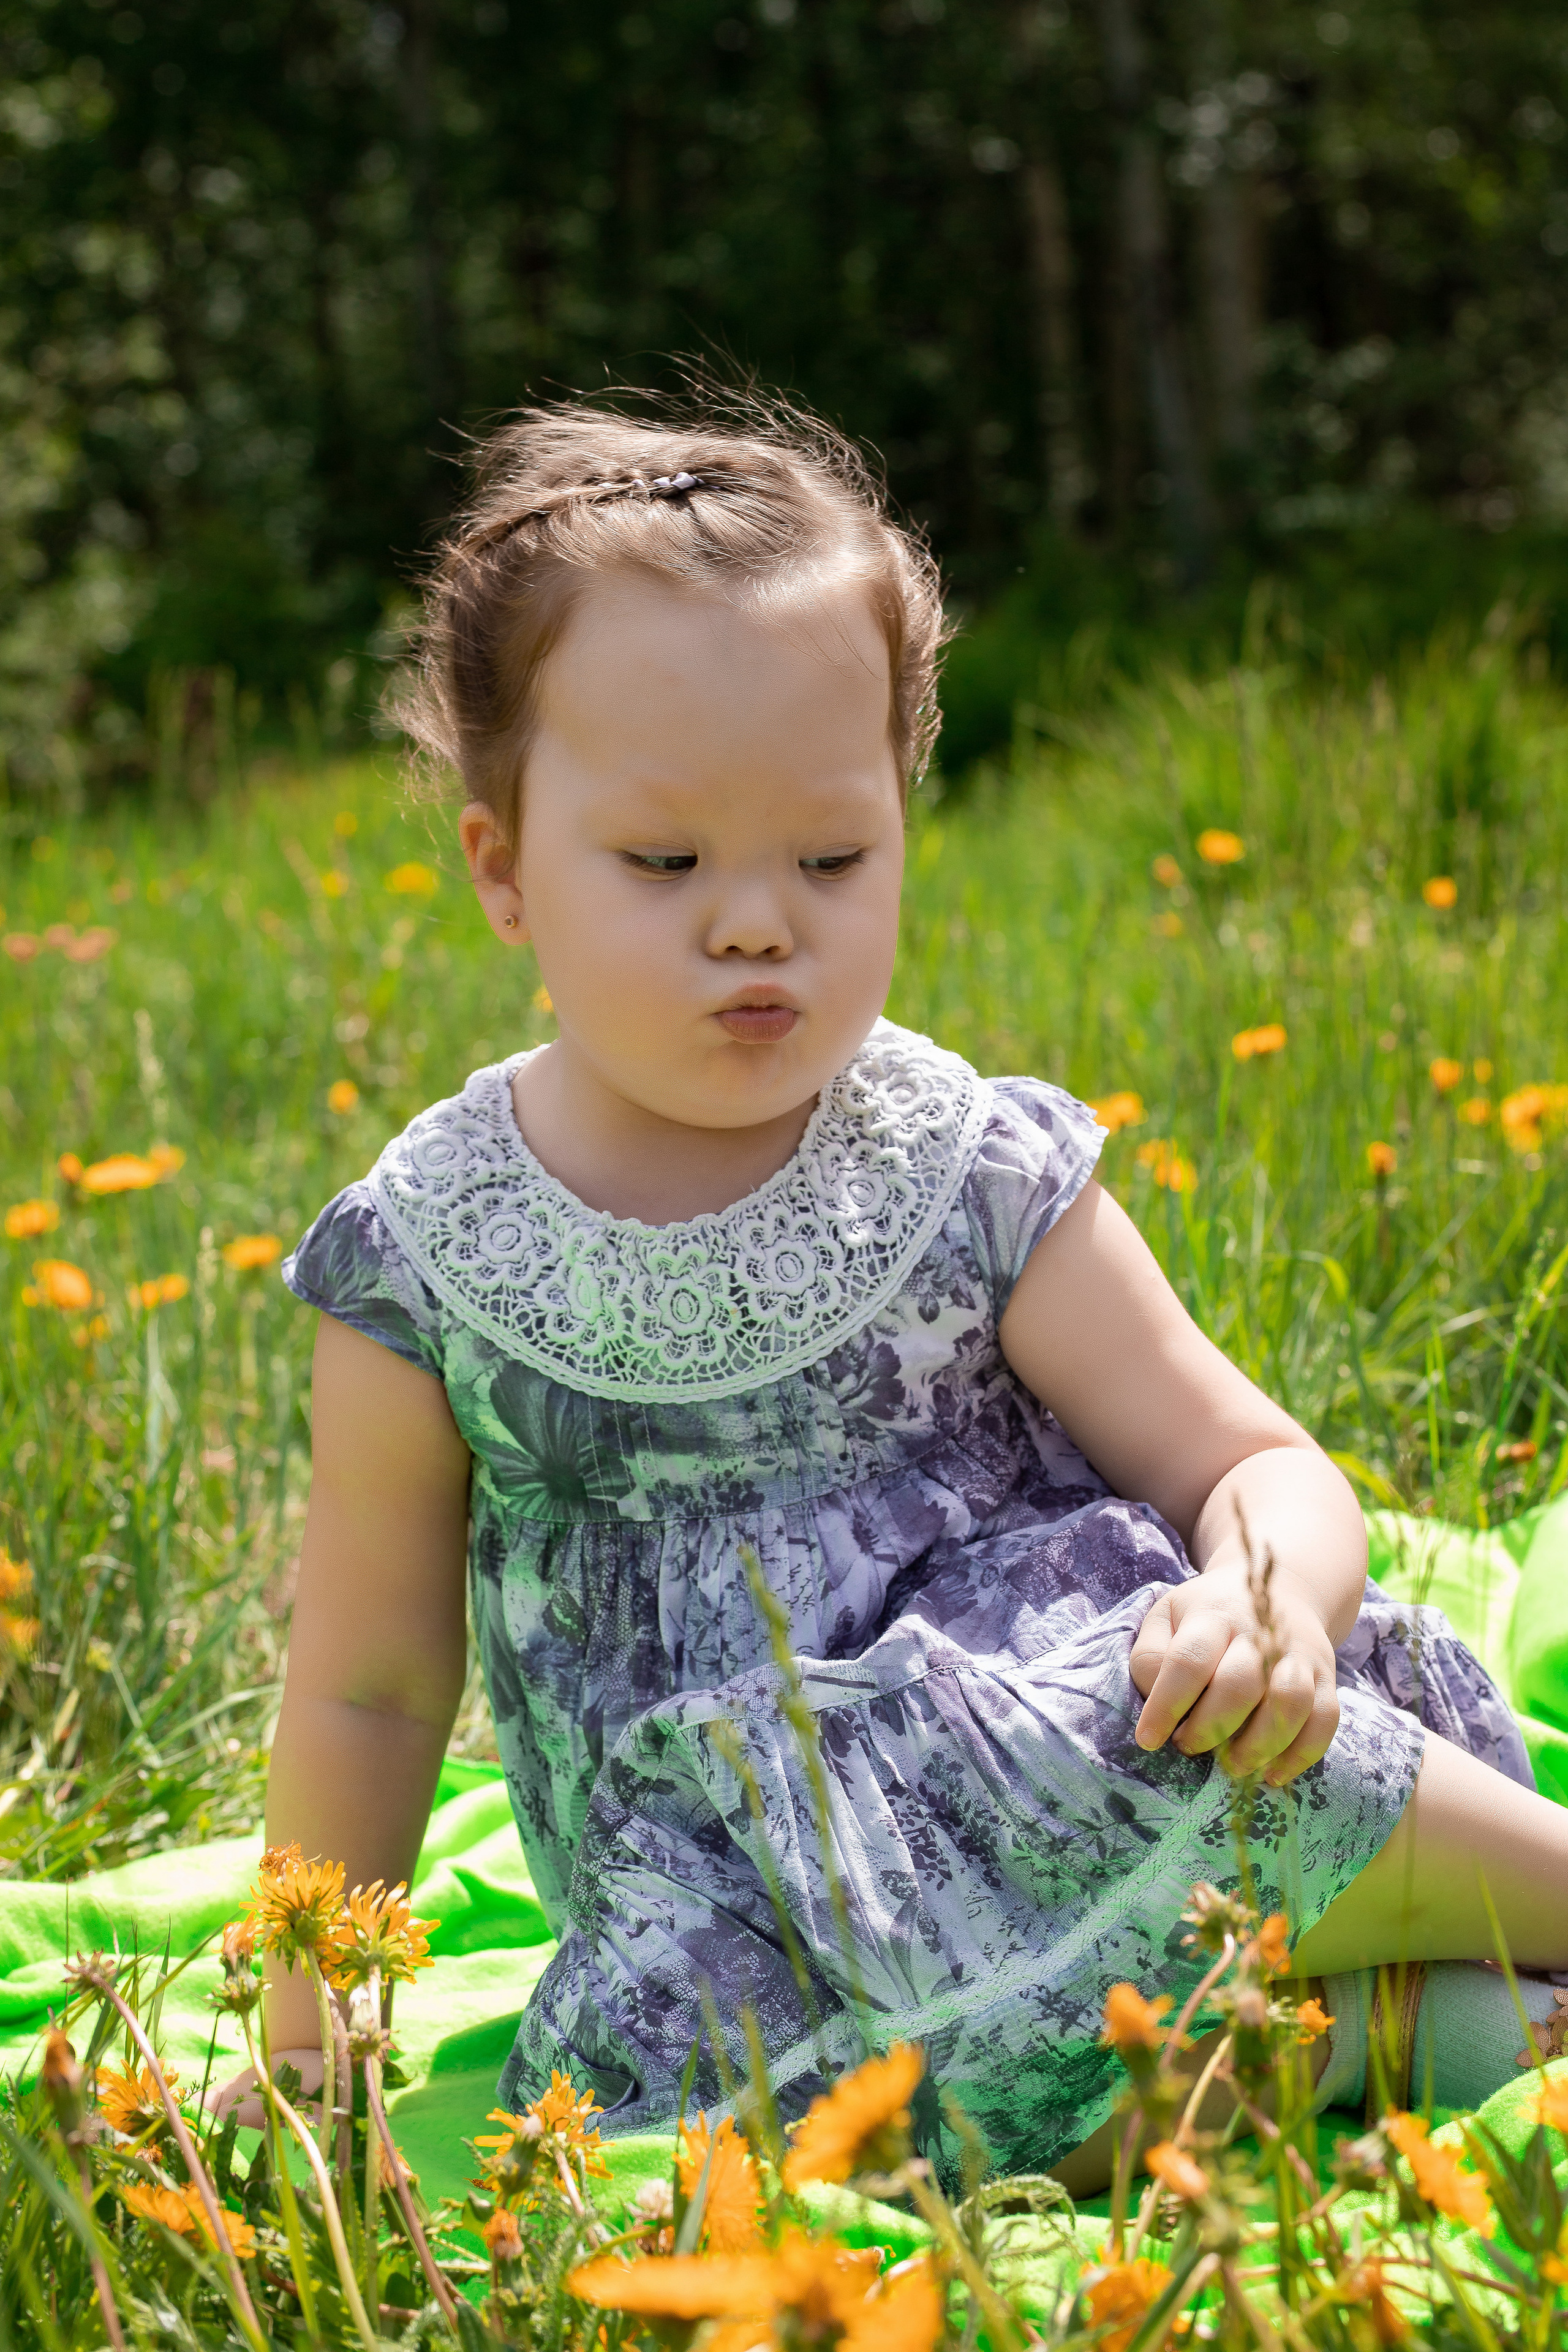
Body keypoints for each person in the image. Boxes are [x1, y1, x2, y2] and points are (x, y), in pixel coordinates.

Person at [214, 397, 1568, 2188]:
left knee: (1121, 1740)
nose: (759, 923)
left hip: (1099, 1727)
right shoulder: (430, 1259)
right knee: (774, 2115)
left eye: (832, 859)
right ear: (502, 871)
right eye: (668, 863)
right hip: (746, 1892)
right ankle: (1436, 2033)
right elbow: (373, 1688)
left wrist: (1275, 1604)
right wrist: (308, 2038)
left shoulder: (958, 1164)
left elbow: (1248, 1457)